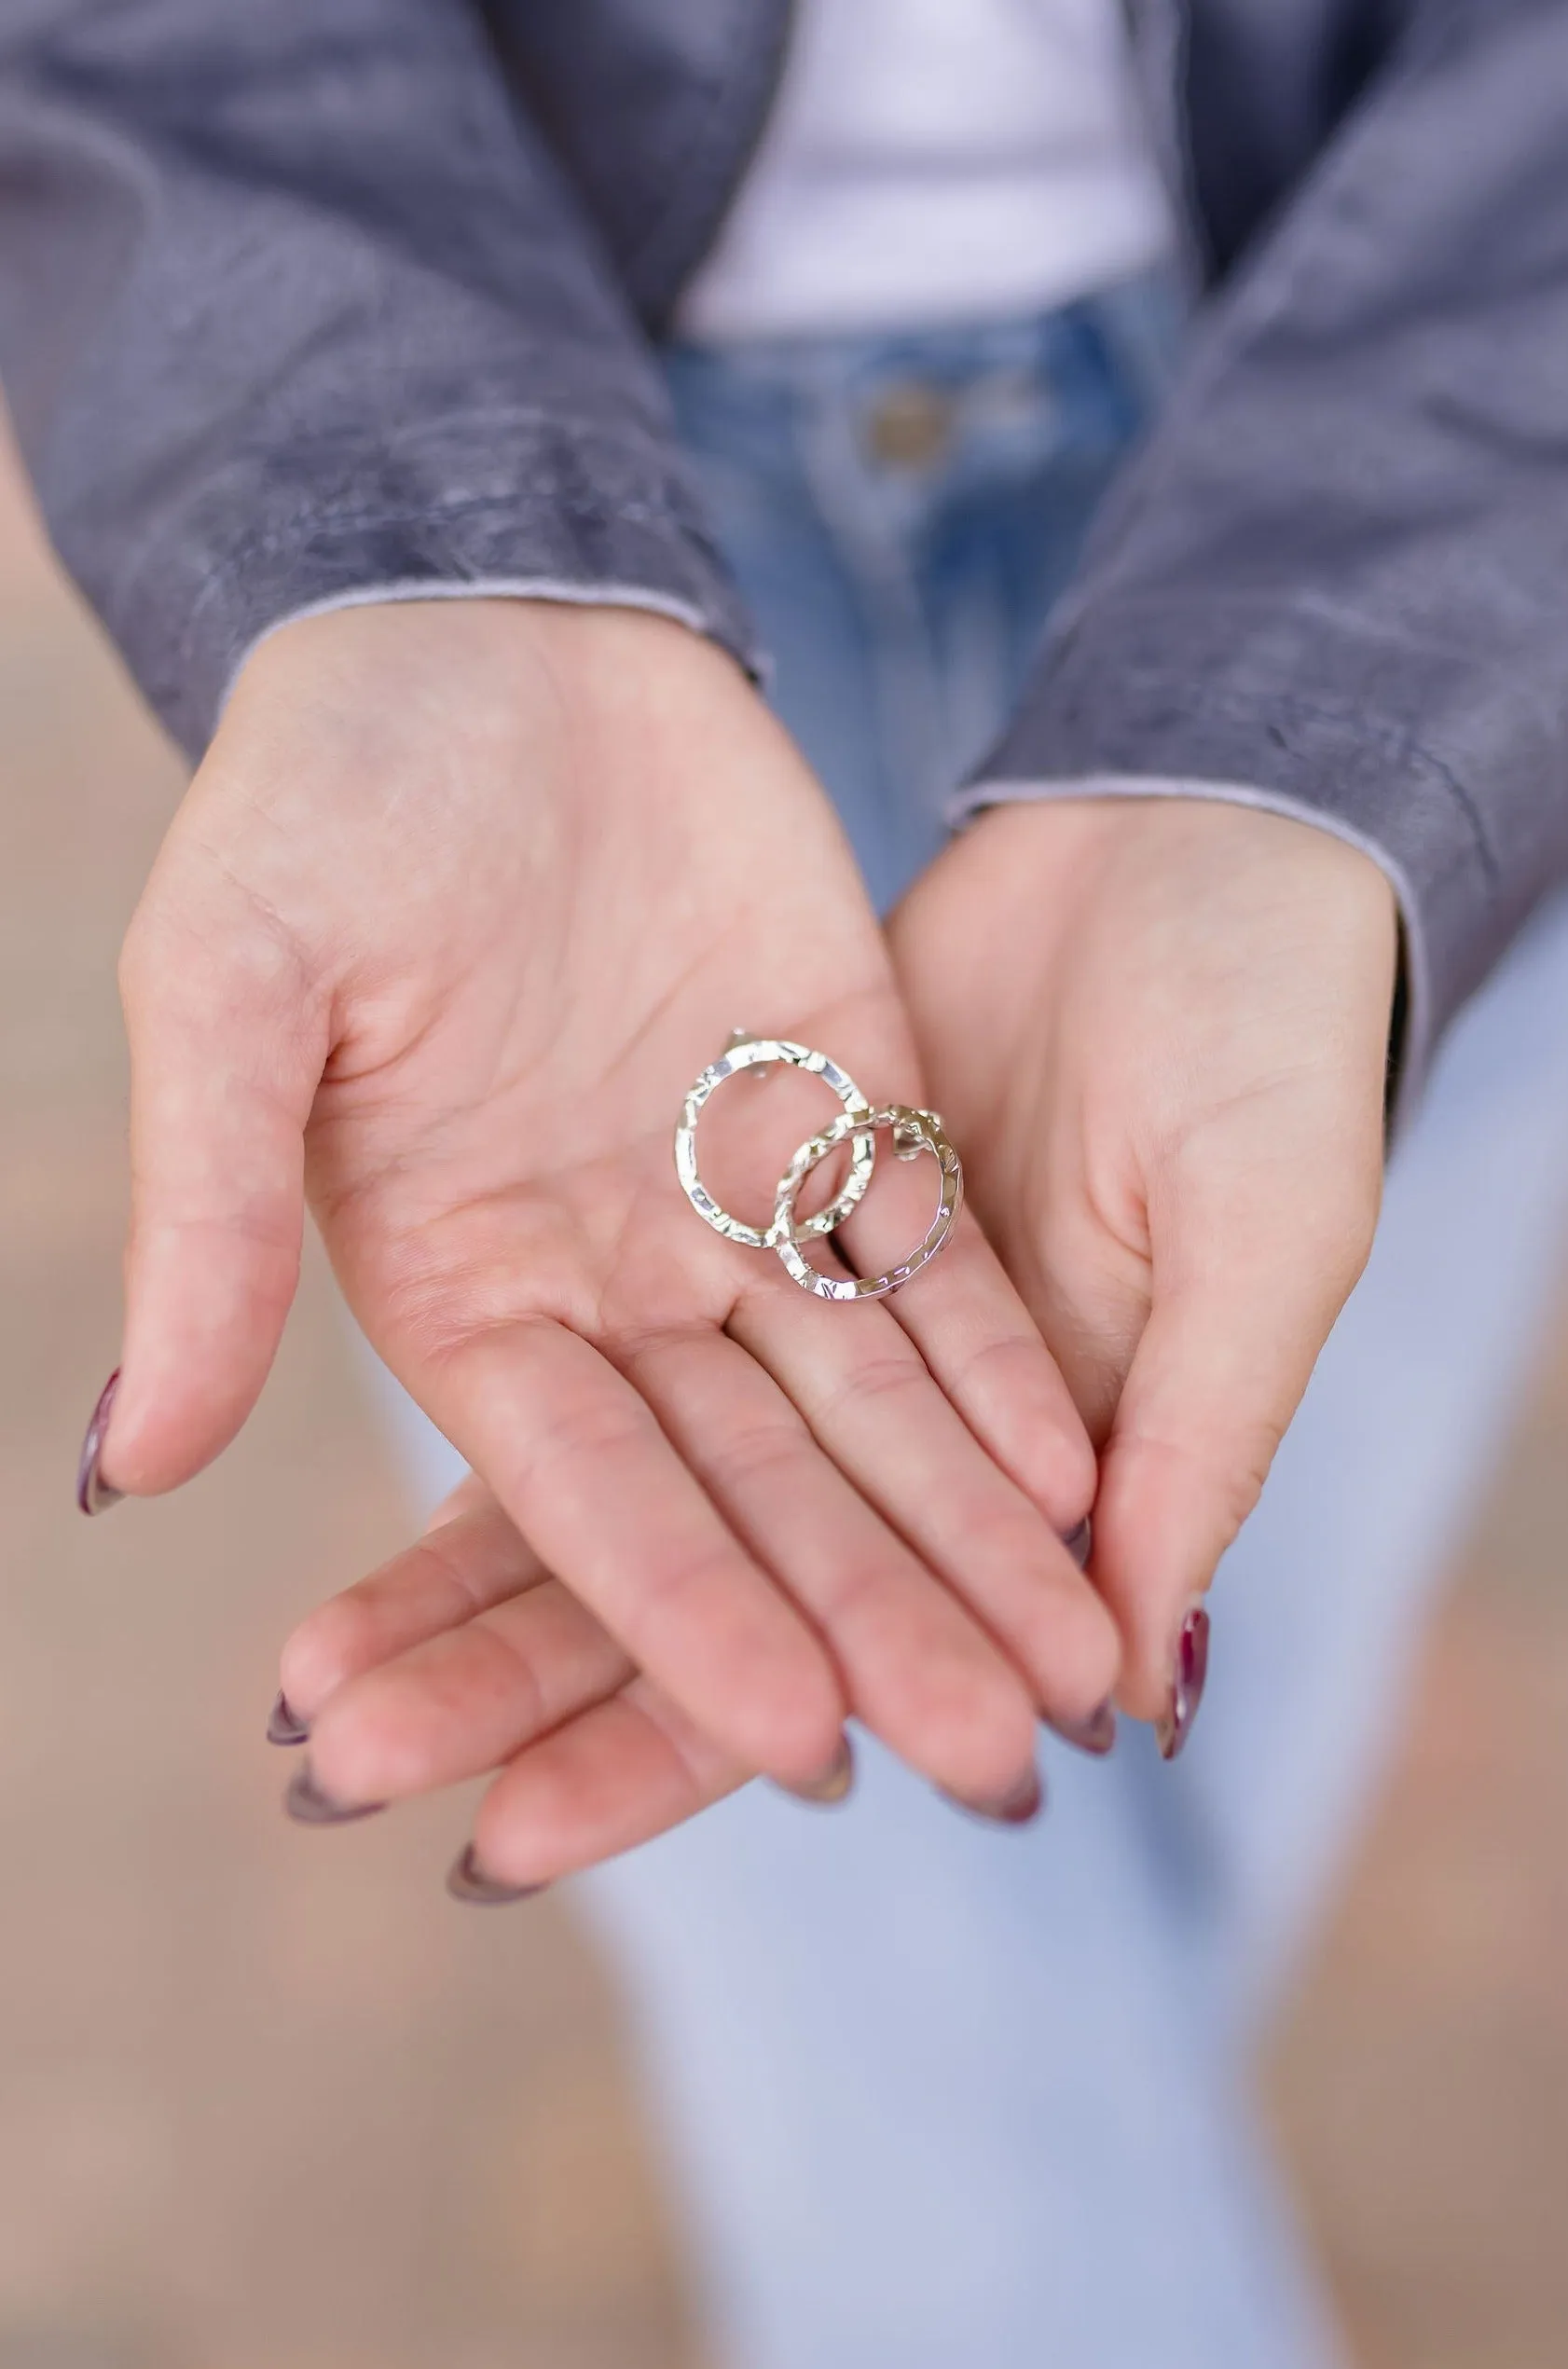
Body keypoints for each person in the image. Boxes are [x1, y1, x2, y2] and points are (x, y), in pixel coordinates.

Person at [10, 1, 1568, 2361]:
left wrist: (1354, 712)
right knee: (907, 1874)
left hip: (1455, 511)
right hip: (554, 461)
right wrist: (402, 525)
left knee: (1141, 1747)